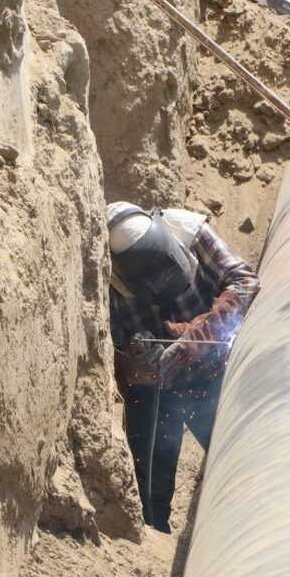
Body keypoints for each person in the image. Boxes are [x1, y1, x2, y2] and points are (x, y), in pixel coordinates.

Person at [107, 203, 260, 533]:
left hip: (218, 372)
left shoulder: (189, 231)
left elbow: (244, 282)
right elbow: (106, 357)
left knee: (240, 466)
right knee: (149, 489)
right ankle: (153, 541)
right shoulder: (108, 280)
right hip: (157, 394)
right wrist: (132, 361)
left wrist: (195, 339)